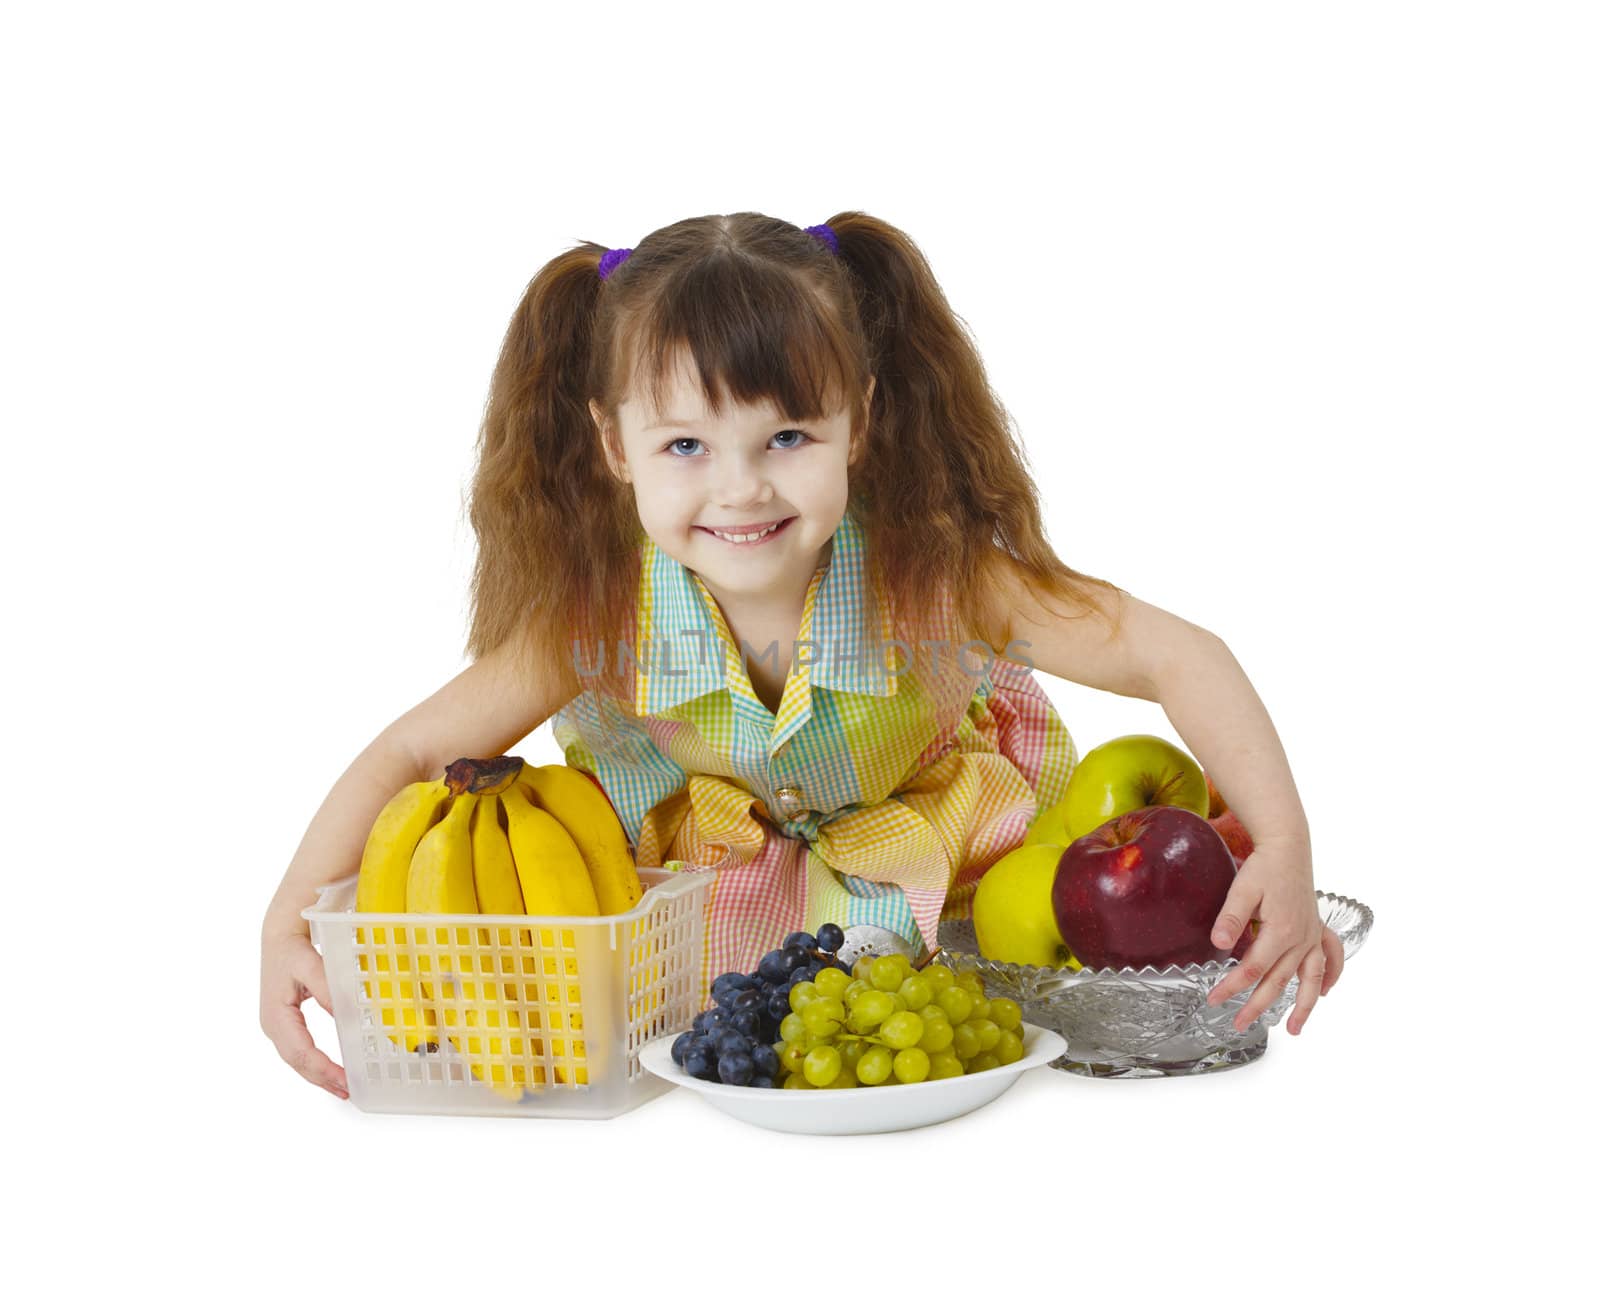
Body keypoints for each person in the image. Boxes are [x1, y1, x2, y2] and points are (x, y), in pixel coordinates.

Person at [260, 211, 1344, 1099]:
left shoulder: (938, 574)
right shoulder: (594, 615)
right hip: (717, 896)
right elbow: (412, 750)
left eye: (787, 437)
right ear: (610, 445)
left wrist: (1281, 841)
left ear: (859, 424)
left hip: (936, 864)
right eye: (685, 445)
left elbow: (1175, 654)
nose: (739, 488)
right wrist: (288, 911)